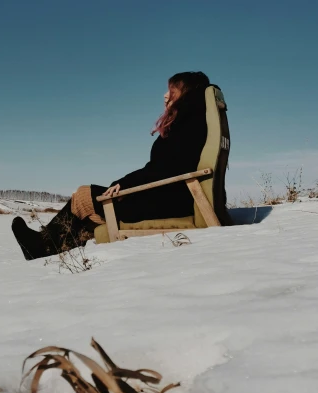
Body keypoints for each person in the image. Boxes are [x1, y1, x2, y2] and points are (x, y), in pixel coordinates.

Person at [12, 71, 211, 261]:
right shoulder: (190, 123)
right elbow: (163, 168)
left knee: (84, 196)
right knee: (92, 212)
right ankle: (50, 248)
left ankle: (41, 246)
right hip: (168, 196)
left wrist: (125, 185)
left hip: (168, 202)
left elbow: (167, 169)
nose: (165, 95)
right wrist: (125, 184)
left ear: (186, 94)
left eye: (172, 90)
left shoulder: (187, 126)